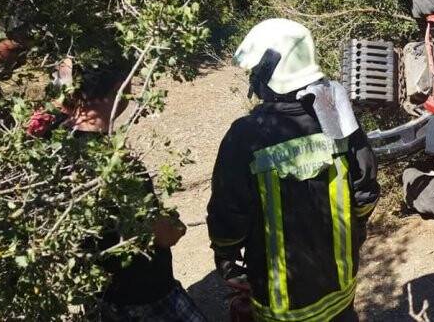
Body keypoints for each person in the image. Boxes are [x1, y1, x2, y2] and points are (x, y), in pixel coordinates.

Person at [207, 19, 379, 322]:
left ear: (267, 73)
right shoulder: (336, 116)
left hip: (280, 303)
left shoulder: (246, 135)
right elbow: (365, 193)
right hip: (340, 288)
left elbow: (228, 215)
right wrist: (353, 234)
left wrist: (227, 257)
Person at [28, 58, 204, 321]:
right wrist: (176, 227)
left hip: (97, 293)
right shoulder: (117, 164)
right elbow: (160, 234)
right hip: (144, 293)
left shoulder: (50, 140)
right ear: (120, 89)